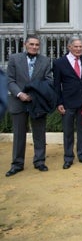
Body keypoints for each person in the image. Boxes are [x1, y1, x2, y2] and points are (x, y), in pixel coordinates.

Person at [5, 35, 53, 177]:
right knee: (19, 134)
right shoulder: (14, 58)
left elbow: (49, 81)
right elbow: (9, 80)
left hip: (37, 103)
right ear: (25, 44)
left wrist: (36, 94)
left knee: (39, 133)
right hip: (18, 101)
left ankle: (39, 161)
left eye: (37, 45)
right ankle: (17, 164)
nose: (34, 47)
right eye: (31, 44)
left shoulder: (45, 61)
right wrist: (20, 94)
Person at [53, 37, 82, 169]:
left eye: (80, 46)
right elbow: (57, 85)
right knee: (68, 132)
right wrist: (59, 103)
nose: (79, 49)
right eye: (76, 46)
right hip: (67, 103)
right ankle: (68, 157)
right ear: (69, 47)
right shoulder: (59, 63)